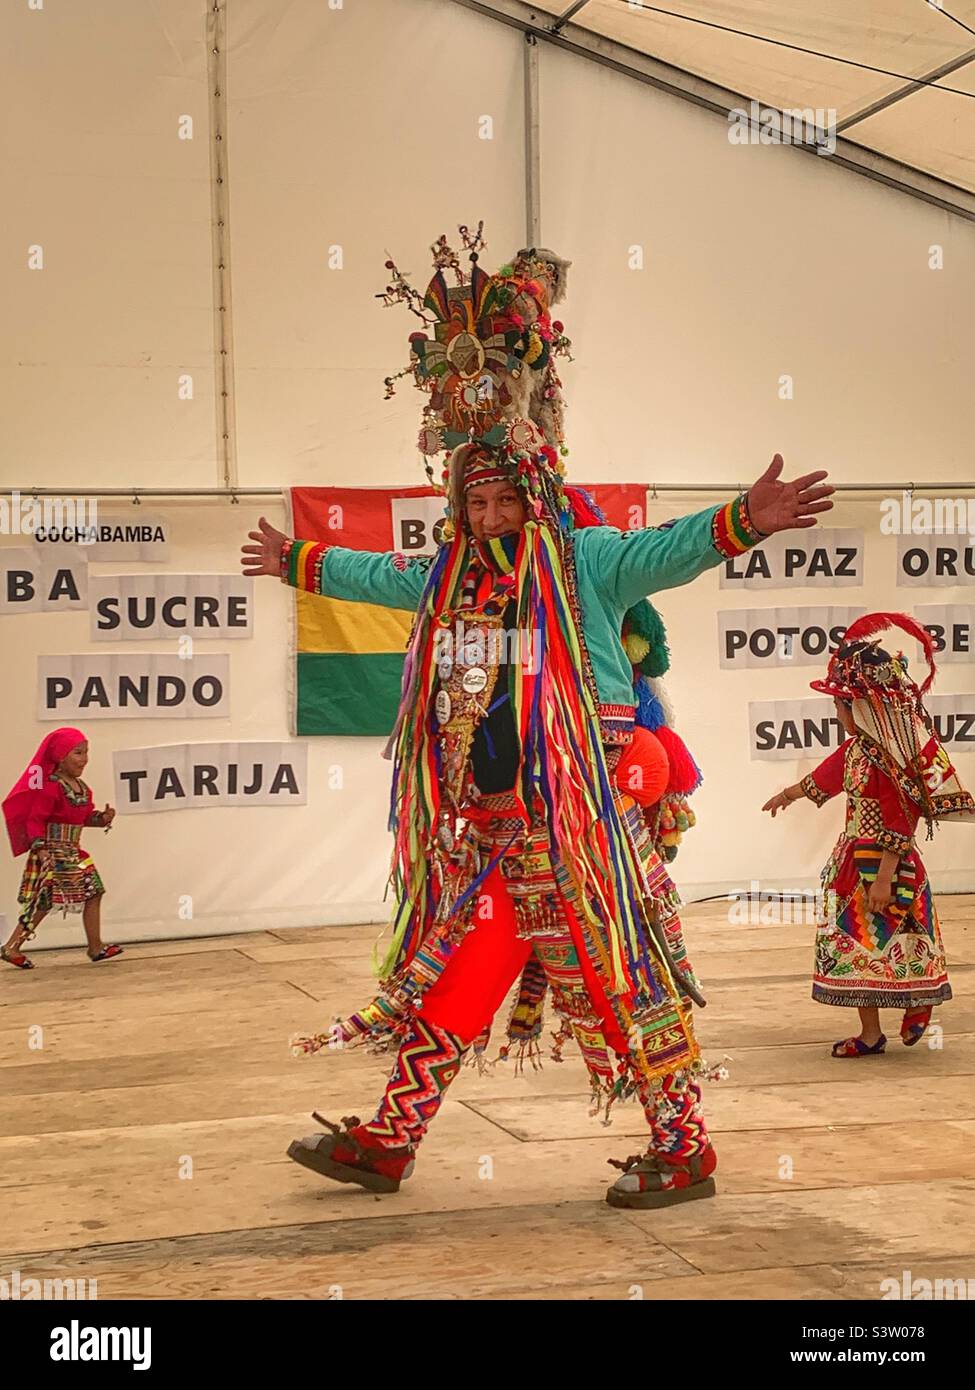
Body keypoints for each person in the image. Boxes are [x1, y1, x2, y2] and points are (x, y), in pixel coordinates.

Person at [243, 234, 833, 1207]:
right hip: (496, 824)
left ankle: (682, 1146)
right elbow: (364, 574)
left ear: (535, 491)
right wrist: (296, 560)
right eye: (472, 495)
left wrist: (746, 518)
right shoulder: (446, 583)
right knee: (462, 974)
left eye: (503, 491)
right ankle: (389, 1140)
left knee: (615, 969)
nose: (487, 507)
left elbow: (670, 550)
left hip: (586, 813)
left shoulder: (585, 562)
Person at [762, 613, 974, 1056]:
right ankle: (872, 1033)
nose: (836, 712)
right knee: (859, 947)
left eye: (840, 705)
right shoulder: (858, 751)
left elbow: (903, 816)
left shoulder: (892, 762)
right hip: (852, 863)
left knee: (903, 938)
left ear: (862, 707)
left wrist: (884, 876)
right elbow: (827, 777)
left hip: (888, 866)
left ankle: (918, 1003)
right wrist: (789, 793)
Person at [2, 728, 120, 969]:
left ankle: (95, 947)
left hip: (74, 853)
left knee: (91, 892)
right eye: (78, 752)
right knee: (44, 901)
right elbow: (34, 820)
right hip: (54, 854)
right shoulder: (50, 787)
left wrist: (102, 818)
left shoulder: (83, 789)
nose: (84, 758)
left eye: (86, 752)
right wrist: (40, 849)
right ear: (61, 756)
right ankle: (12, 946)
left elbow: (84, 817)